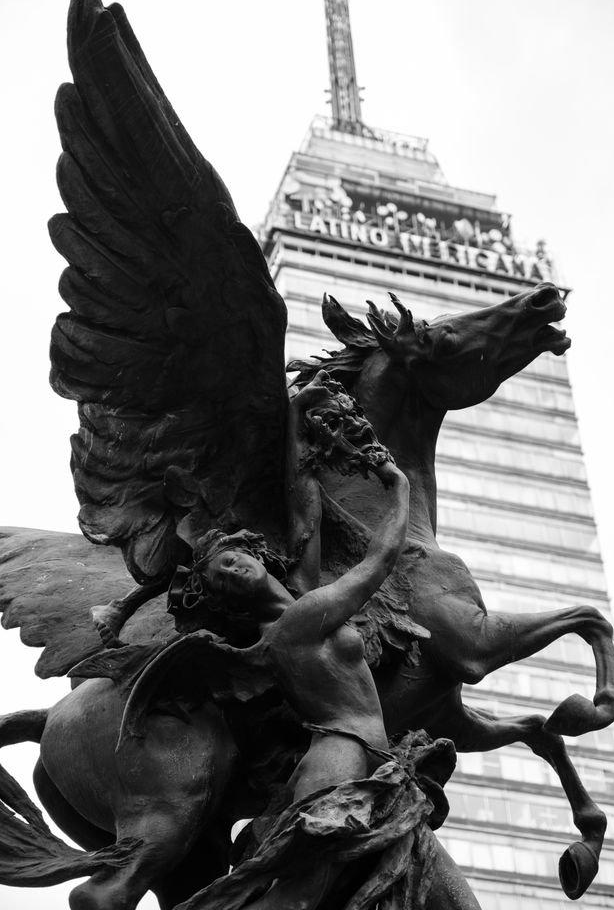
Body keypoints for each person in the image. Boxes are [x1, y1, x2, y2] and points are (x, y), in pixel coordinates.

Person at [171, 373, 482, 910]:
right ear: (231, 603)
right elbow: (379, 561)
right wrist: (400, 488)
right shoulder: (298, 622)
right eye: (223, 577)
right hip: (342, 756)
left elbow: (304, 507)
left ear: (251, 551)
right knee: (301, 894)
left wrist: (297, 423)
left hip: (383, 763)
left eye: (231, 558)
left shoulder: (303, 594)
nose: (234, 568)